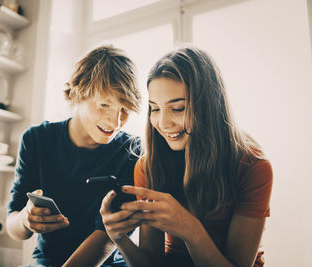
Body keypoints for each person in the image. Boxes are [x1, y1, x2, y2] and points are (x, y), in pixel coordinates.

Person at [100, 46, 273, 267]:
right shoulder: (149, 166)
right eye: (155, 109)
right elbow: (150, 262)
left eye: (178, 108)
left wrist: (190, 230)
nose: (163, 123)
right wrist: (119, 238)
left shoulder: (252, 166)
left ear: (209, 107)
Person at [6, 45, 142, 267]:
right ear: (78, 94)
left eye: (124, 109)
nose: (115, 121)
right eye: (104, 105)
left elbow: (108, 235)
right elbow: (14, 228)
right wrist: (25, 219)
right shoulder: (36, 140)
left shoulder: (133, 151)